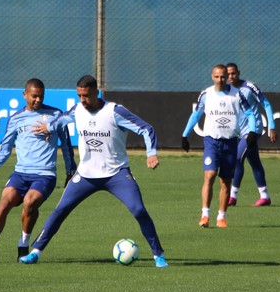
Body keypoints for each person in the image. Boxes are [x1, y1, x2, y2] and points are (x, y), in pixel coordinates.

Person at [19, 75, 168, 268]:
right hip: (86, 175)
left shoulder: (114, 111)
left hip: (116, 174)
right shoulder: (78, 110)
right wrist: (48, 127)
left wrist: (151, 153)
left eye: (86, 95)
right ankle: (35, 252)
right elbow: (62, 120)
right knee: (60, 210)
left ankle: (158, 255)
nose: (82, 100)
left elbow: (146, 129)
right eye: (79, 95)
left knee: (139, 210)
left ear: (96, 92)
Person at [0, 79, 76, 263]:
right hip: (20, 174)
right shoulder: (16, 119)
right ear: (25, 95)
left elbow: (66, 146)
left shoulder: (55, 115)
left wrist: (70, 171)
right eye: (34, 96)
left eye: (41, 96)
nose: (37, 99)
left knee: (30, 202)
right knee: (4, 202)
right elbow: (4, 151)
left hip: (45, 175)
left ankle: (23, 245)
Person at [181, 64, 256, 229]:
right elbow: (197, 114)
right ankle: (205, 215)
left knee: (225, 181)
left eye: (223, 76)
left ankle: (221, 217)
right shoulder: (206, 94)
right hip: (211, 141)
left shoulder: (237, 95)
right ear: (212, 76)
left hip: (230, 141)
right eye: (217, 77)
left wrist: (252, 132)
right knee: (210, 175)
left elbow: (250, 113)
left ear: (227, 77)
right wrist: (185, 134)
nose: (220, 80)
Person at [226, 63, 277, 207]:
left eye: (233, 73)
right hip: (238, 131)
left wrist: (271, 127)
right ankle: (265, 196)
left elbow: (265, 104)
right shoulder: (226, 90)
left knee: (237, 158)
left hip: (252, 130)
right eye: (228, 74)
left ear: (239, 73)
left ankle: (232, 196)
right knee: (254, 162)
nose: (231, 77)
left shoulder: (249, 87)